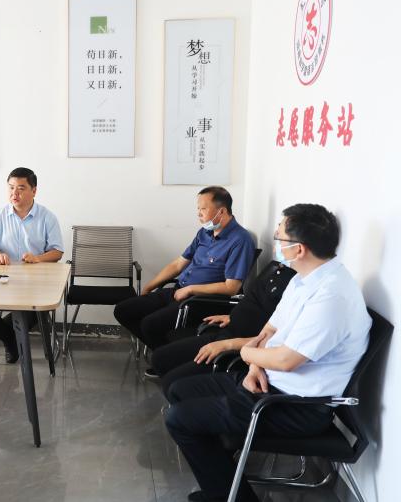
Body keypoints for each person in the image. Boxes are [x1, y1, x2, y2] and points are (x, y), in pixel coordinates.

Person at [164, 204, 371, 502]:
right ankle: (223, 483)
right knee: (179, 390)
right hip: (265, 382)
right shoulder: (303, 279)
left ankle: (233, 497)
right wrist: (254, 367)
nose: (275, 242)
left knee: (179, 418)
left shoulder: (332, 296)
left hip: (293, 405)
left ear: (299, 249)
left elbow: (286, 360)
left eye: (279, 237)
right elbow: (269, 331)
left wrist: (248, 355)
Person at [114, 186, 255, 371]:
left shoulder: (240, 240)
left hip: (200, 300)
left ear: (221, 211)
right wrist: (149, 286)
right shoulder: (204, 233)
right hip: (179, 290)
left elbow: (232, 287)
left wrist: (191, 289)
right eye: (198, 208)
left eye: (203, 209)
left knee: (150, 324)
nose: (198, 213)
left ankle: (168, 362)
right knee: (124, 310)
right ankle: (168, 358)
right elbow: (178, 265)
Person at [151, 261, 295, 396]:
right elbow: (255, 304)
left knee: (172, 383)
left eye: (282, 243)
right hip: (226, 332)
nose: (279, 246)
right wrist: (233, 316)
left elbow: (277, 339)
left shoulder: (299, 290)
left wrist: (227, 344)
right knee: (160, 358)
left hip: (236, 350)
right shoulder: (279, 270)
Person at [0, 167, 64, 363]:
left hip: (35, 283)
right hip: (2, 280)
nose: (14, 193)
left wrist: (38, 258)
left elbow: (57, 252)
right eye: (11, 187)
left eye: (21, 188)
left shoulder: (47, 217)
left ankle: (8, 340)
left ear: (34, 191)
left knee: (30, 311)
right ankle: (10, 339)